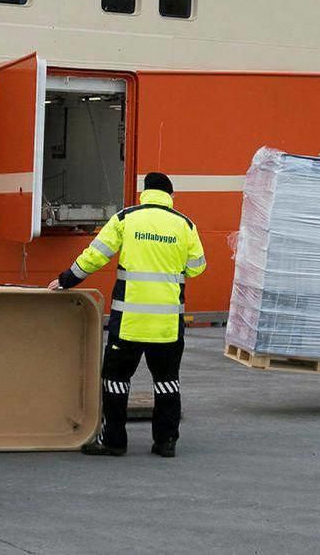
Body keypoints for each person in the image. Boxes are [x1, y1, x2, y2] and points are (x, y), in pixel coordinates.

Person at [49, 172, 207, 458]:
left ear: (144, 193)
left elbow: (95, 255)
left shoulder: (126, 219)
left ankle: (114, 441)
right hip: (167, 325)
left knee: (116, 379)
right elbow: (197, 267)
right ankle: (165, 442)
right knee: (167, 382)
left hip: (128, 324)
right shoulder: (185, 225)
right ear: (171, 196)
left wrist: (67, 279)